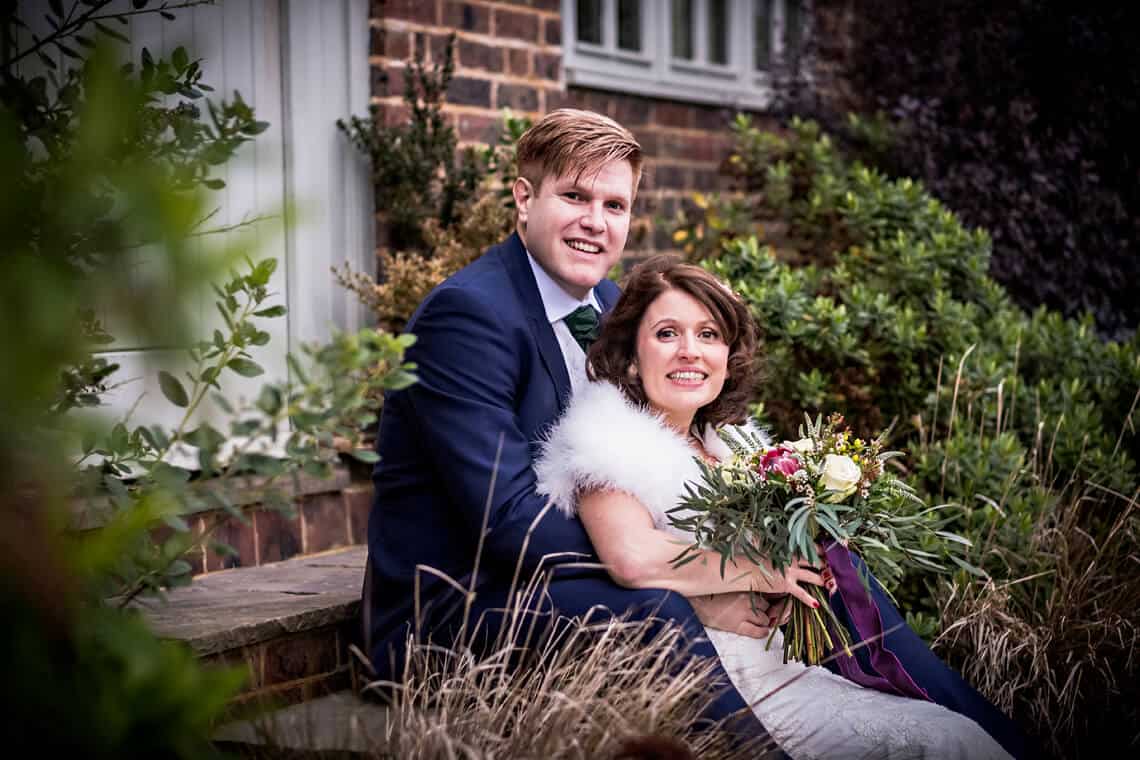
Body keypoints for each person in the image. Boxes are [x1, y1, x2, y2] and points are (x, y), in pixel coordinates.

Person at [363, 109, 788, 755]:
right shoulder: (467, 317)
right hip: (460, 611)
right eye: (574, 196)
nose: (596, 221)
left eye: (614, 204)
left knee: (823, 568)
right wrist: (694, 576)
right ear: (523, 198)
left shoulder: (616, 307)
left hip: (563, 579)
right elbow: (508, 522)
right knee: (657, 610)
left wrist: (744, 552)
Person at [534, 254, 1032, 759]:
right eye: (667, 334)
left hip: (790, 665)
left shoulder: (735, 445)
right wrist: (762, 570)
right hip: (724, 684)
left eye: (708, 335)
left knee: (954, 734)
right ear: (632, 357)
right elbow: (632, 557)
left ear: (728, 358)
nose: (690, 352)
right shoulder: (608, 442)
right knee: (942, 743)